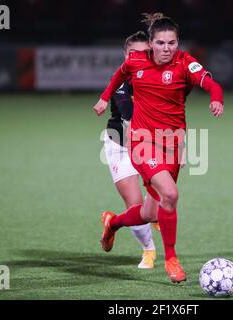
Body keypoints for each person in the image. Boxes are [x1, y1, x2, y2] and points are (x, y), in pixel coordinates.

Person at [93, 12, 224, 283]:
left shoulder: (185, 63)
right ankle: (172, 259)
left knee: (150, 212)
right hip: (142, 142)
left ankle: (113, 223)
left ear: (178, 43)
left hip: (173, 144)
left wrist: (216, 98)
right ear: (151, 43)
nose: (167, 49)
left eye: (172, 43)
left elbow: (211, 84)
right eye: (161, 43)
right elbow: (119, 74)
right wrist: (105, 98)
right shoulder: (137, 61)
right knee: (171, 194)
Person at [102, 31, 159, 269]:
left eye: (144, 53)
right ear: (126, 55)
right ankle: (149, 251)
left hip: (152, 144)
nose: (138, 57)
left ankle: (112, 222)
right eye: (133, 53)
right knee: (136, 204)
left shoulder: (159, 77)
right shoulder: (121, 82)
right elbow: (127, 111)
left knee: (153, 211)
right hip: (121, 144)